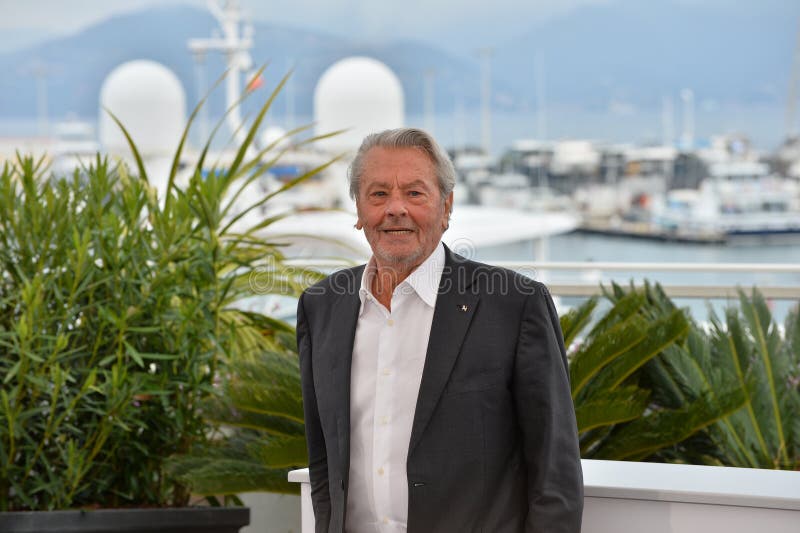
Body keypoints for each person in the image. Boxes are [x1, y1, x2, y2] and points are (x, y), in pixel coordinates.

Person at [297, 128, 583, 533]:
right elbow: (323, 459)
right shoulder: (321, 305)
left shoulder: (515, 305)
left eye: (415, 194)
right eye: (378, 194)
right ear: (359, 211)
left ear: (446, 208)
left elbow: (555, 471)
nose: (395, 208)